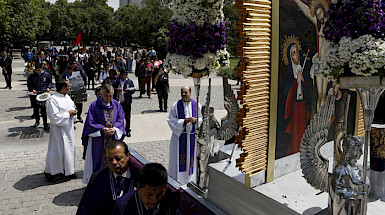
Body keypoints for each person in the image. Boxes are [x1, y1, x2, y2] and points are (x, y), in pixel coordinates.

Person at [82, 84, 126, 184]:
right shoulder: (94, 105)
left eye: (111, 96)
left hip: (113, 139)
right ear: (101, 94)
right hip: (98, 141)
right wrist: (102, 129)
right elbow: (90, 122)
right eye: (106, 96)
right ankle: (97, 184)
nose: (108, 98)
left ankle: (114, 182)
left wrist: (115, 129)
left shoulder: (116, 104)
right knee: (98, 163)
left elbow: (121, 119)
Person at [77, 141, 136, 215]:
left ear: (127, 156)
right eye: (110, 159)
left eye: (118, 158)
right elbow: (87, 208)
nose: (114, 162)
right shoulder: (98, 178)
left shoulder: (138, 177)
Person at [112, 163, 180, 215]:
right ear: (138, 186)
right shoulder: (121, 208)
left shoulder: (173, 203)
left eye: (159, 194)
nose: (154, 199)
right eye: (149, 194)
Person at [167, 86, 202, 185]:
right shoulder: (176, 105)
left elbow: (202, 119)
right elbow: (170, 120)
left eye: (185, 92)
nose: (183, 94)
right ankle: (178, 180)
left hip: (192, 138)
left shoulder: (197, 105)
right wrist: (183, 122)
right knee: (180, 160)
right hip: (180, 139)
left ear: (190, 92)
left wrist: (195, 121)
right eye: (182, 92)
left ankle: (191, 179)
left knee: (192, 160)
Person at [44, 80, 77, 182]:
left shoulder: (67, 96)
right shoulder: (52, 100)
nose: (69, 87)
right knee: (57, 151)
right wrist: (68, 114)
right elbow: (54, 117)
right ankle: (55, 172)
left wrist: (74, 112)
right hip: (58, 131)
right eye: (68, 86)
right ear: (62, 88)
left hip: (68, 129)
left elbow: (72, 107)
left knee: (69, 149)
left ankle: (68, 170)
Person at [27, 63, 52, 130]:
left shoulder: (46, 74)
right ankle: (37, 121)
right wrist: (32, 89)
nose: (38, 71)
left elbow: (50, 82)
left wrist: (48, 87)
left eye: (39, 70)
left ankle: (45, 124)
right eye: (37, 70)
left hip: (43, 94)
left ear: (42, 69)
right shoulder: (32, 75)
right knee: (36, 109)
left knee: (44, 110)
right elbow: (29, 84)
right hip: (35, 94)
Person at [113, 71, 135, 137]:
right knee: (118, 117)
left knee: (127, 117)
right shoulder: (116, 81)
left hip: (127, 102)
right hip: (118, 102)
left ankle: (127, 130)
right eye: (121, 75)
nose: (123, 77)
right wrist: (117, 89)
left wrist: (129, 91)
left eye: (124, 75)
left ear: (126, 75)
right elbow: (112, 88)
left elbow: (133, 90)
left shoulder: (129, 82)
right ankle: (118, 129)